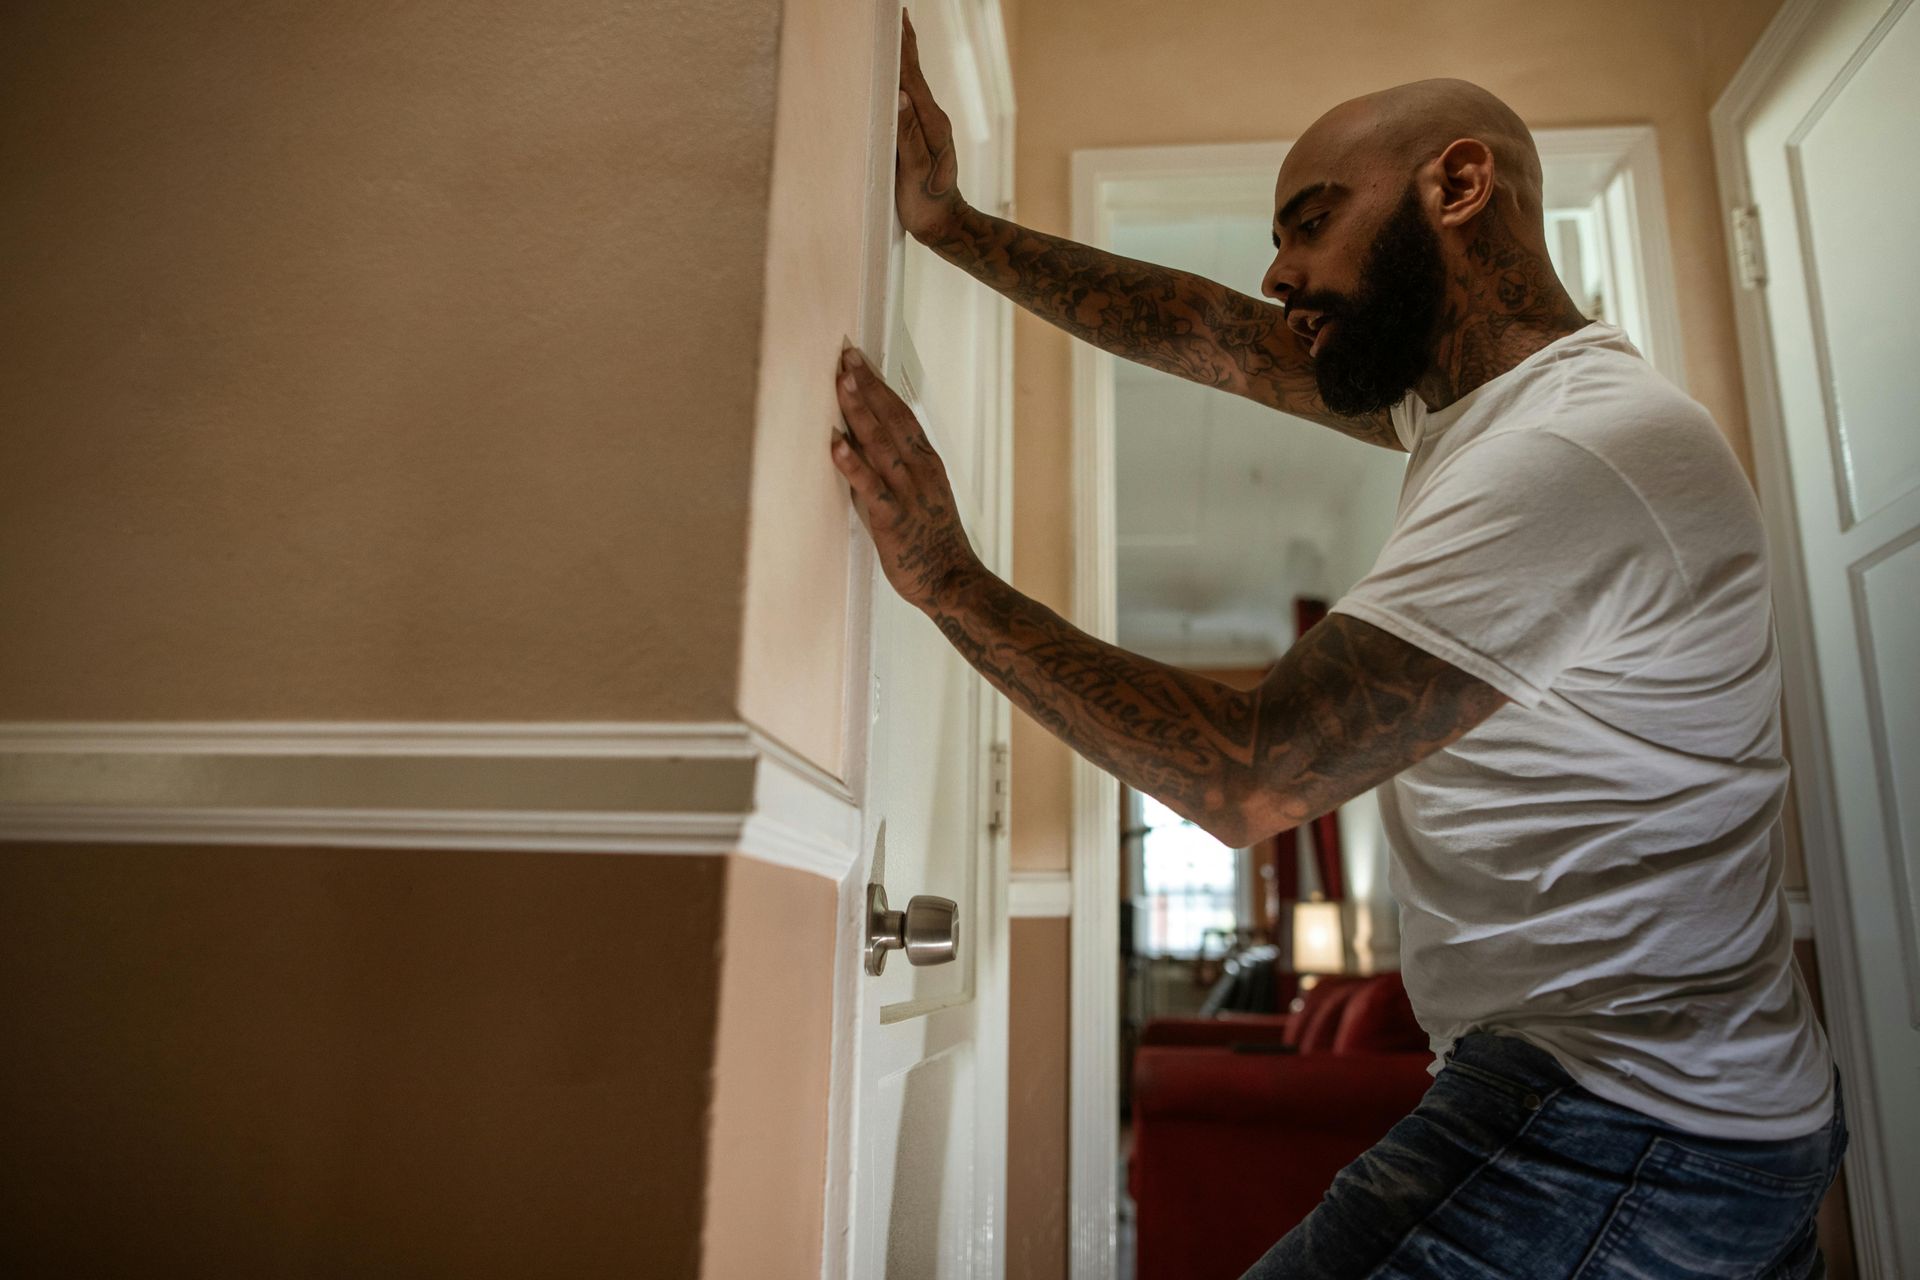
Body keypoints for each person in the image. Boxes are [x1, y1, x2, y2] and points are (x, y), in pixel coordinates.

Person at [826, 12, 1846, 1277]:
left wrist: (945, 577)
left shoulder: (1575, 453)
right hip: (1617, 1094)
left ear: (1459, 185)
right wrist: (951, 227)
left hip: (1636, 1119)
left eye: (1311, 221)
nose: (1278, 274)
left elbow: (1252, 773)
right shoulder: (1475, 410)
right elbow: (1204, 329)